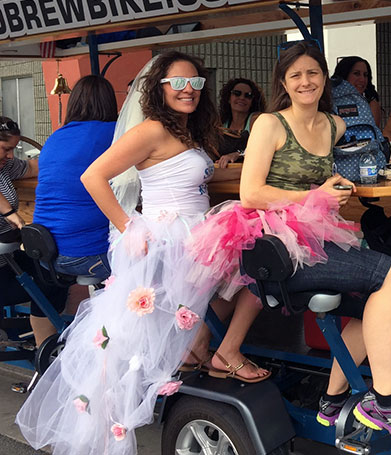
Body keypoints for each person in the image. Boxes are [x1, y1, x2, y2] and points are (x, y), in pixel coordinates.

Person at [17, 51, 267, 455]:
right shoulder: (152, 130)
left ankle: (199, 351)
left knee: (194, 311)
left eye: (196, 84)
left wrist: (248, 170)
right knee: (132, 344)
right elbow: (93, 176)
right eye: (178, 83)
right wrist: (127, 225)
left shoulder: (187, 130)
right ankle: (100, 433)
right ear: (160, 88)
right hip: (165, 242)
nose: (189, 91)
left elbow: (199, 176)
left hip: (195, 236)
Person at [235, 40, 391, 443]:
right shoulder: (269, 124)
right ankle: (386, 400)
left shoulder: (333, 124)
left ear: (325, 78)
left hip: (316, 235)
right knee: (389, 272)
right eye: (296, 75)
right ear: (284, 83)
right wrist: (316, 197)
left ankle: (331, 400)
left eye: (313, 73)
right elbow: (250, 193)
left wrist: (331, 185)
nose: (305, 81)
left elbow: (365, 152)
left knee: (373, 306)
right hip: (277, 245)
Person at [33, 75, 118, 281]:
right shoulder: (114, 132)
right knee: (158, 261)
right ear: (110, 102)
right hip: (89, 255)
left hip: (45, 253)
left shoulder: (55, 136)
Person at [0, 117, 62, 347]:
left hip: (8, 257)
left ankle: (42, 347)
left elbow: (33, 166)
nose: (9, 155)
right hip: (3, 261)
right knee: (51, 283)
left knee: (54, 270)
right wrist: (9, 214)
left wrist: (63, 160)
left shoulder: (6, 166)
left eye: (12, 149)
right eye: (6, 149)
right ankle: (43, 352)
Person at [216, 77, 266, 168]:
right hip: (225, 175)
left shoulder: (257, 120)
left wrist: (238, 154)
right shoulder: (221, 122)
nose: (242, 98)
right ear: (228, 98)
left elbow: (264, 148)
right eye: (237, 93)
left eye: (248, 95)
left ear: (252, 102)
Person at [332, 56, 382, 126]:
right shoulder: (328, 100)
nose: (362, 79)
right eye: (356, 74)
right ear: (344, 74)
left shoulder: (371, 102)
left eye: (365, 75)